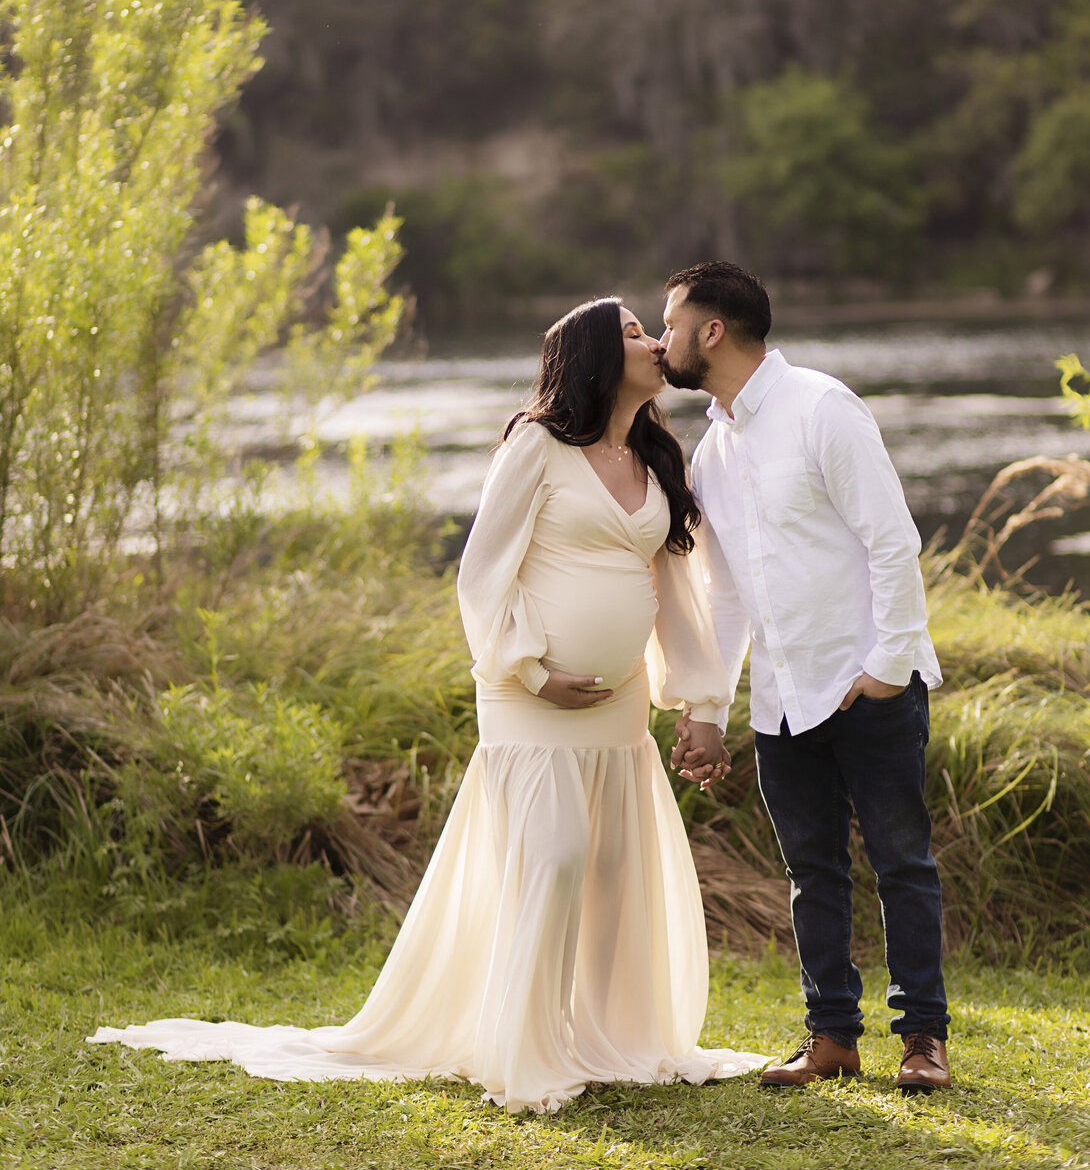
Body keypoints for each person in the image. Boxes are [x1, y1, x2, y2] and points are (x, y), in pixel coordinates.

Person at [91, 298, 764, 1114]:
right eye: (631, 331)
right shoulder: (537, 446)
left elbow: (675, 590)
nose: (655, 341)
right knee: (552, 857)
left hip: (617, 705)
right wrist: (529, 667)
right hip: (529, 696)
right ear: (592, 355)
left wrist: (698, 699)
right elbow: (480, 574)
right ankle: (525, 1051)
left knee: (613, 871)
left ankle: (607, 1039)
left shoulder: (660, 454)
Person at [661, 262, 952, 1093]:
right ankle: (832, 1036)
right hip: (785, 701)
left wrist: (889, 665)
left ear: (712, 331)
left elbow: (893, 540)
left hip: (868, 683)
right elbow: (724, 598)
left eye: (670, 320)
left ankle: (922, 1039)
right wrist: (710, 704)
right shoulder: (713, 451)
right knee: (810, 872)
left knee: (903, 863)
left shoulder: (824, 407)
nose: (662, 335)